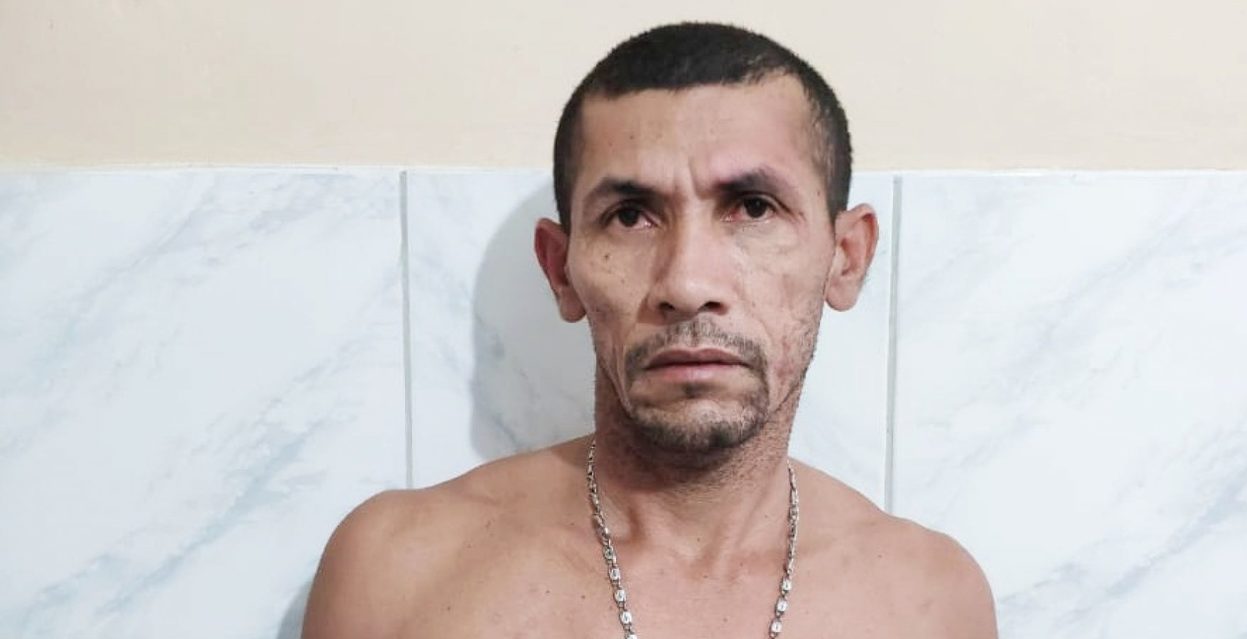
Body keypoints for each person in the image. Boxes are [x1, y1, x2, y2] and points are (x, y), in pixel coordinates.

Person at [302, 22, 996, 638]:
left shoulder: (930, 603)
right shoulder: (399, 573)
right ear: (561, 270)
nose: (687, 284)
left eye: (754, 208)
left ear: (846, 258)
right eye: (631, 216)